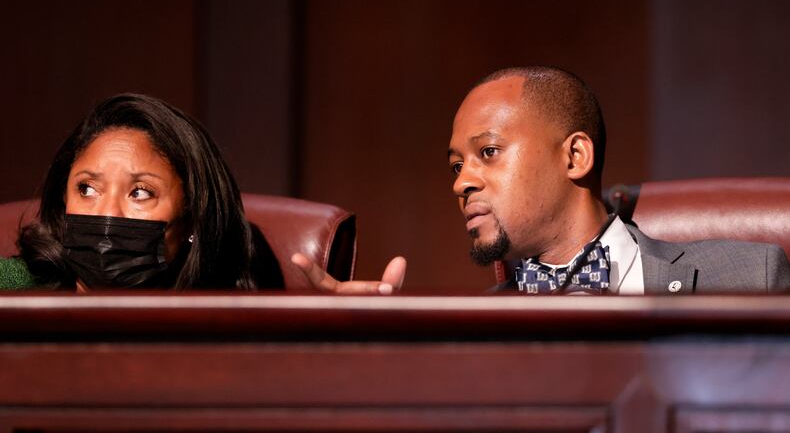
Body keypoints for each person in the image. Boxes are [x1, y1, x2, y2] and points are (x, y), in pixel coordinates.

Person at [293, 66, 790, 294]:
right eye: (455, 166)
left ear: (575, 156)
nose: (460, 183)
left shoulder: (752, 276)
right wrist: (369, 348)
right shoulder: (474, 333)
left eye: (487, 152)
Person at [0, 93, 280, 291]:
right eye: (87, 189)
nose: (107, 213)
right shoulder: (14, 286)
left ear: (192, 219)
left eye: (140, 193)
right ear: (63, 201)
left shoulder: (223, 319)